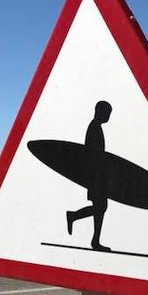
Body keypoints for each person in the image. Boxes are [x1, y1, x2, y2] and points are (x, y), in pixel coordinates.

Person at [66, 101, 112, 251]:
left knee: (100, 207)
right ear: (101, 112)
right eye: (107, 113)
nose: (108, 117)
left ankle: (75, 218)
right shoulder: (94, 128)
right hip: (95, 176)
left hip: (97, 176)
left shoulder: (95, 127)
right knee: (101, 207)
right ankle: (94, 240)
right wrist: (95, 177)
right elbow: (93, 155)